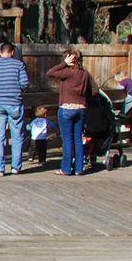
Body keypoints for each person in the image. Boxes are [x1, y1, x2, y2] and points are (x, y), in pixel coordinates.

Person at [0, 42, 29, 176]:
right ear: (12, 52)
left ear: (0, 52)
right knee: (17, 136)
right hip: (15, 103)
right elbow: (25, 83)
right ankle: (15, 167)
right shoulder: (19, 65)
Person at [47, 48, 93, 176]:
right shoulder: (85, 74)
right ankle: (79, 169)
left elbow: (50, 72)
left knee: (67, 140)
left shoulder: (68, 72)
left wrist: (64, 64)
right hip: (80, 109)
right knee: (78, 139)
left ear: (70, 59)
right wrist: (84, 99)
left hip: (66, 109)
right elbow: (94, 90)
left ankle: (66, 169)